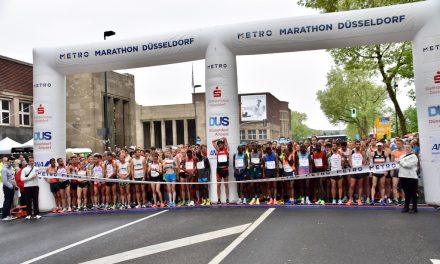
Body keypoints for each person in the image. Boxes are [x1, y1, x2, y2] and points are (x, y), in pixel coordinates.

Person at [398, 143, 419, 213]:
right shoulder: (402, 156)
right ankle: (406, 207)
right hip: (402, 176)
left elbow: (408, 165)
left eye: (408, 147)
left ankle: (414, 208)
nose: (407, 149)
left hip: (411, 177)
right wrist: (401, 162)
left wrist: (401, 162)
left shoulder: (414, 156)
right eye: (406, 147)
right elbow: (399, 165)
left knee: (413, 193)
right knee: (406, 193)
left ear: (411, 148)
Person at [347, 141, 367, 206]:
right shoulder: (351, 152)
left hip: (360, 171)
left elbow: (365, 161)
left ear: (360, 145)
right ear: (355, 145)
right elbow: (349, 160)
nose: (358, 145)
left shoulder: (363, 152)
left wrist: (362, 166)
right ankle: (350, 199)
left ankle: (359, 199)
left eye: (359, 144)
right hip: (354, 171)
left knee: (360, 186)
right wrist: (352, 166)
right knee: (352, 185)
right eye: (357, 144)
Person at [370, 142, 390, 206]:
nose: (379, 147)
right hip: (375, 172)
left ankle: (383, 200)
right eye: (378, 146)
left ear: (382, 146)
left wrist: (386, 171)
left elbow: (388, 163)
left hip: (382, 172)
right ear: (376, 146)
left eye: (380, 146)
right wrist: (371, 172)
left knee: (382, 186)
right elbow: (371, 163)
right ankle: (372, 200)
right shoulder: (373, 153)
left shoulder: (386, 153)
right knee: (374, 185)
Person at [212, 137, 230, 204]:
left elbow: (225, 138)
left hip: (225, 169)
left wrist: (222, 139)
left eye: (221, 144)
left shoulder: (226, 150)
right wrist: (218, 140)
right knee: (218, 185)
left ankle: (227, 199)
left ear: (223, 144)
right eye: (219, 145)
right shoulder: (218, 150)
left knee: (226, 185)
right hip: (219, 170)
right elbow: (213, 141)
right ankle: (219, 199)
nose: (220, 145)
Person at [391, 139, 406, 205]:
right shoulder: (393, 152)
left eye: (399, 144)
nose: (398, 145)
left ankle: (404, 198)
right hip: (396, 170)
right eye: (396, 144)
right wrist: (391, 171)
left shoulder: (405, 152)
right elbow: (391, 163)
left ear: (402, 144)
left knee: (403, 186)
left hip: (403, 170)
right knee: (394, 185)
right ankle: (396, 199)